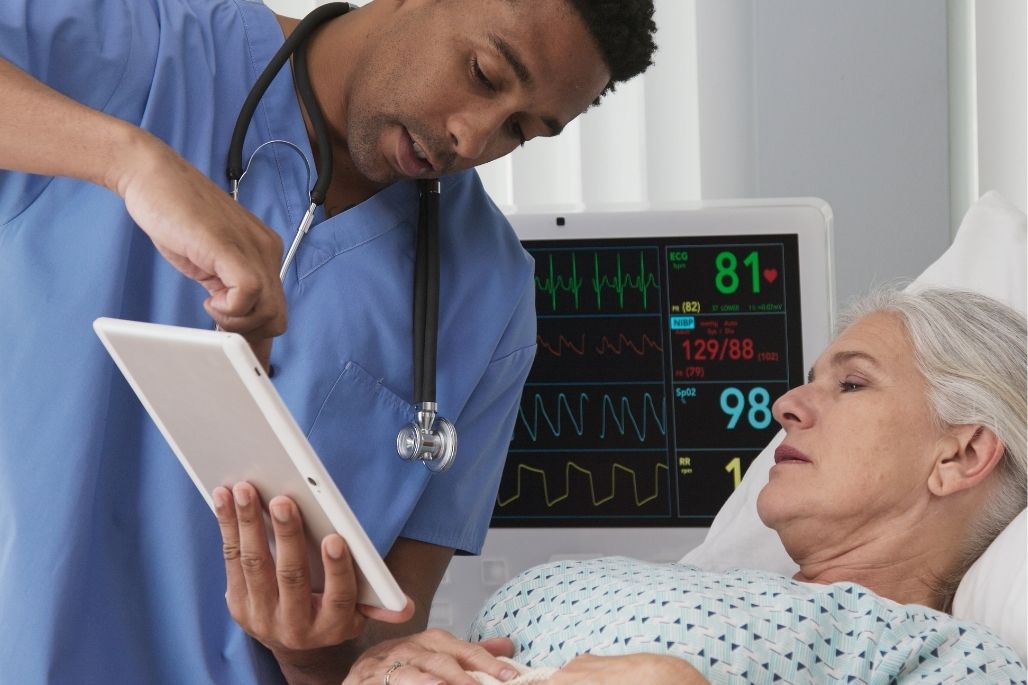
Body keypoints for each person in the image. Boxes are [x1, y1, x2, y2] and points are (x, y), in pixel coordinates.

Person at [0, 1, 657, 683]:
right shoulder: (147, 46)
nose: (472, 137)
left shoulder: (489, 295)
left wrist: (311, 653)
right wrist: (127, 160)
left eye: (520, 129)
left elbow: (378, 655)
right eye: (484, 73)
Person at [339, 288, 1027, 684]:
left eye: (851, 382)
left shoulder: (945, 658)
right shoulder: (702, 584)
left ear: (961, 453)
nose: (786, 403)